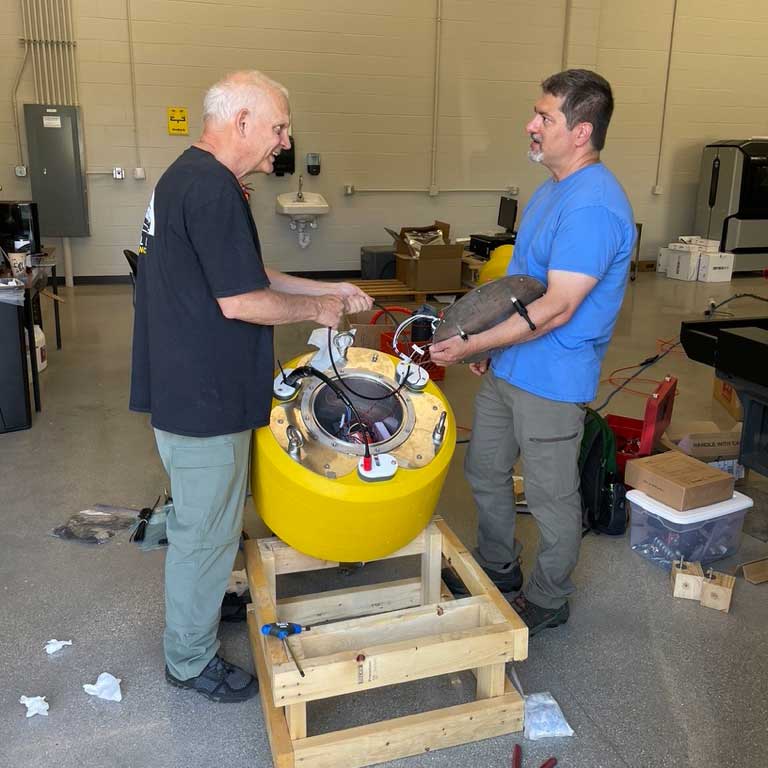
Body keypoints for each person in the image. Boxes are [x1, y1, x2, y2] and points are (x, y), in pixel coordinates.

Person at [129, 70, 372, 702]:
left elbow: (247, 269)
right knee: (204, 532)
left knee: (205, 518)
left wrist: (327, 290)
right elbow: (240, 300)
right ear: (241, 121)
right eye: (278, 127)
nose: (283, 143)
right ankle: (189, 660)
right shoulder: (211, 190)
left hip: (189, 384)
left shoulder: (190, 176)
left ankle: (206, 603)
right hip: (201, 394)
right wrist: (316, 314)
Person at [430, 69, 635, 636]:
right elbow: (519, 286)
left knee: (549, 495)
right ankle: (498, 568)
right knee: (486, 467)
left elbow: (557, 308)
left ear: (581, 130)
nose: (531, 125)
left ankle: (548, 596)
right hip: (512, 365)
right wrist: (490, 343)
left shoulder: (592, 206)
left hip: (554, 375)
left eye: (545, 117)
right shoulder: (549, 191)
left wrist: (474, 341)